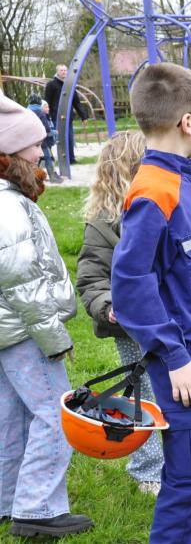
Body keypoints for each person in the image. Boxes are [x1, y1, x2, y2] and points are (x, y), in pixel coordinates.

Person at [110, 63, 191, 543]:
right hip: (184, 363)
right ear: (188, 121)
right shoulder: (155, 190)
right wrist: (175, 355)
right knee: (188, 480)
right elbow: (130, 281)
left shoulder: (190, 181)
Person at [0, 94, 93, 538]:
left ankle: (7, 498)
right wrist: (55, 339)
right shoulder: (9, 206)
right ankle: (37, 508)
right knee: (56, 414)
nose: (42, 151)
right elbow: (21, 282)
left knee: (13, 415)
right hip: (24, 332)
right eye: (35, 145)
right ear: (11, 151)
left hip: (8, 330)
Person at [76, 130, 166, 497]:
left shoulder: (163, 208)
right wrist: (108, 307)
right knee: (141, 395)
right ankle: (147, 469)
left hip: (173, 322)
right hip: (133, 330)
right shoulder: (102, 224)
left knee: (181, 391)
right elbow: (91, 279)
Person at [44, 64, 89, 165]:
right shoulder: (51, 85)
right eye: (61, 70)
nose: (64, 72)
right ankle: (57, 159)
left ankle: (71, 159)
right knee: (57, 139)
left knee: (69, 137)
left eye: (65, 70)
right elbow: (47, 101)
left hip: (68, 117)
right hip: (56, 116)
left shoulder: (69, 85)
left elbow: (76, 102)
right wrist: (47, 115)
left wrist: (83, 116)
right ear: (57, 72)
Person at [26, 94, 59, 183]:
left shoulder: (26, 111)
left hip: (29, 140)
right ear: (39, 102)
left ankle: (32, 177)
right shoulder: (40, 112)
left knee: (32, 160)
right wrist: (55, 132)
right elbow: (47, 129)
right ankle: (52, 177)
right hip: (41, 141)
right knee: (48, 157)